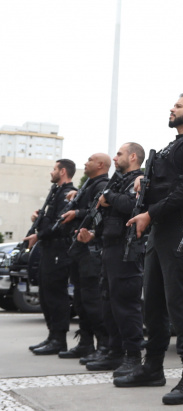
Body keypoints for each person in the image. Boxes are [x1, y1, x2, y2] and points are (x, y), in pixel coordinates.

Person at [116, 94, 183, 407]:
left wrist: (150, 213)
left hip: (181, 234)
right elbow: (165, 184)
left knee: (182, 308)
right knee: (153, 305)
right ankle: (153, 367)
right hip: (161, 234)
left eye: (179, 106)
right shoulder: (174, 145)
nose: (172, 109)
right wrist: (144, 184)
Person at [77, 142, 147, 376]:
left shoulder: (138, 180)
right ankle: (113, 352)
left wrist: (109, 197)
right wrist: (93, 234)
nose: (115, 158)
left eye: (119, 154)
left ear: (134, 157)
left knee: (126, 305)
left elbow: (131, 205)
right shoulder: (119, 181)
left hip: (126, 251)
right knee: (108, 302)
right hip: (110, 249)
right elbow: (109, 217)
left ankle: (133, 356)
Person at [58, 153, 111, 361]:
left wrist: (78, 214)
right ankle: (86, 343)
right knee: (80, 300)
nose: (85, 163)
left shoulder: (102, 186)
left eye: (89, 160)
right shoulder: (89, 185)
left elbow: (97, 212)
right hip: (79, 248)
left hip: (92, 250)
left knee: (92, 300)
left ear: (99, 165)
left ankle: (103, 345)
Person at [25, 159, 78, 355]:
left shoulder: (66, 194)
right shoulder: (57, 192)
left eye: (54, 169)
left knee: (55, 295)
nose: (51, 172)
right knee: (46, 295)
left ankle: (58, 339)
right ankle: (52, 335)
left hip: (58, 251)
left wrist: (39, 221)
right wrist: (39, 226)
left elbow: (59, 225)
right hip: (50, 250)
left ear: (62, 171)